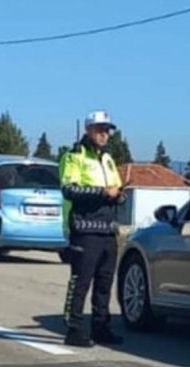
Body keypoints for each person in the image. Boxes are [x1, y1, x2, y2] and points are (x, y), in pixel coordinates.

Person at [58, 110, 127, 347]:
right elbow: (69, 189)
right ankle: (74, 329)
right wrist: (102, 193)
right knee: (81, 281)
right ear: (88, 130)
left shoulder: (108, 159)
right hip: (85, 229)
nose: (104, 134)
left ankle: (101, 326)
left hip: (108, 229)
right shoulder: (74, 156)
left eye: (107, 130)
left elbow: (116, 188)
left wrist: (119, 196)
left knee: (105, 282)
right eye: (99, 129)